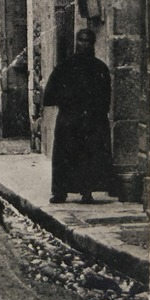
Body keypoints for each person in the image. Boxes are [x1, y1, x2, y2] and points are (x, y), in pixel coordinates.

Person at [43, 28, 114, 205]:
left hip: (91, 121)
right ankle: (60, 192)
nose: (84, 44)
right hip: (69, 120)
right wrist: (68, 103)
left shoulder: (100, 68)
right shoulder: (65, 67)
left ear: (93, 45)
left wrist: (96, 114)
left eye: (88, 41)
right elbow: (50, 94)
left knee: (89, 156)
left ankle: (87, 191)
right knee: (64, 156)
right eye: (81, 41)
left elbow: (105, 97)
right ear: (76, 43)